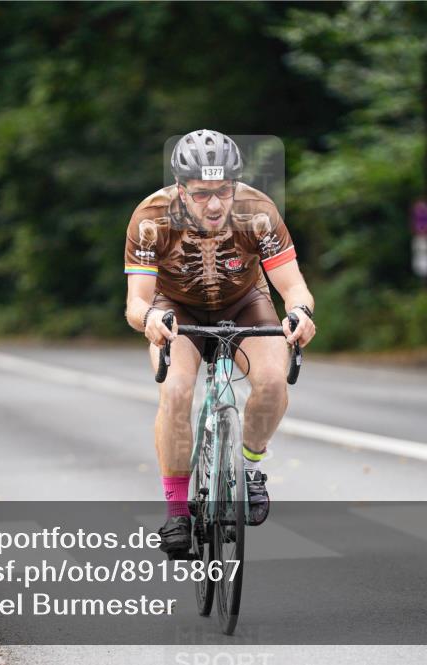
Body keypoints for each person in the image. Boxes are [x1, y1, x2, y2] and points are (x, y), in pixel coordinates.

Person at [124, 130, 317, 554]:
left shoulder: (258, 212)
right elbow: (135, 304)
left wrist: (300, 314)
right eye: (201, 194)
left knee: (271, 380)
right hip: (176, 305)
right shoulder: (151, 218)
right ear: (180, 189)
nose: (214, 204)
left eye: (224, 191)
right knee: (175, 390)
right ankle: (177, 510)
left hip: (244, 302)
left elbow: (295, 288)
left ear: (235, 184)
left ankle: (248, 467)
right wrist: (152, 318)